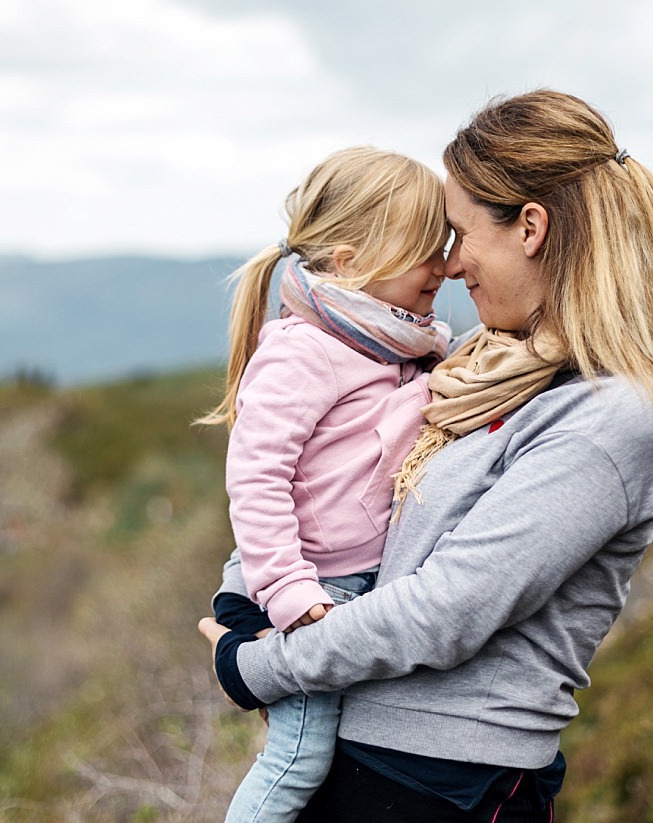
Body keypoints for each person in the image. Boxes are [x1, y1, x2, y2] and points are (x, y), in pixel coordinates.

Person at [199, 89, 653, 822]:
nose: (451, 264)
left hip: (448, 783)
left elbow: (445, 610)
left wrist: (257, 664)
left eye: (460, 234)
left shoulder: (612, 417)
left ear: (530, 227)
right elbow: (329, 488)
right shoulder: (479, 364)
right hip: (363, 750)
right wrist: (249, 593)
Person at [195, 146, 452, 823]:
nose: (445, 266)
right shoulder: (303, 349)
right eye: (426, 249)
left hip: (342, 587)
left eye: (446, 245)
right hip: (298, 587)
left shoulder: (392, 343)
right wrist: (291, 593)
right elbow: (256, 477)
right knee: (298, 756)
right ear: (349, 262)